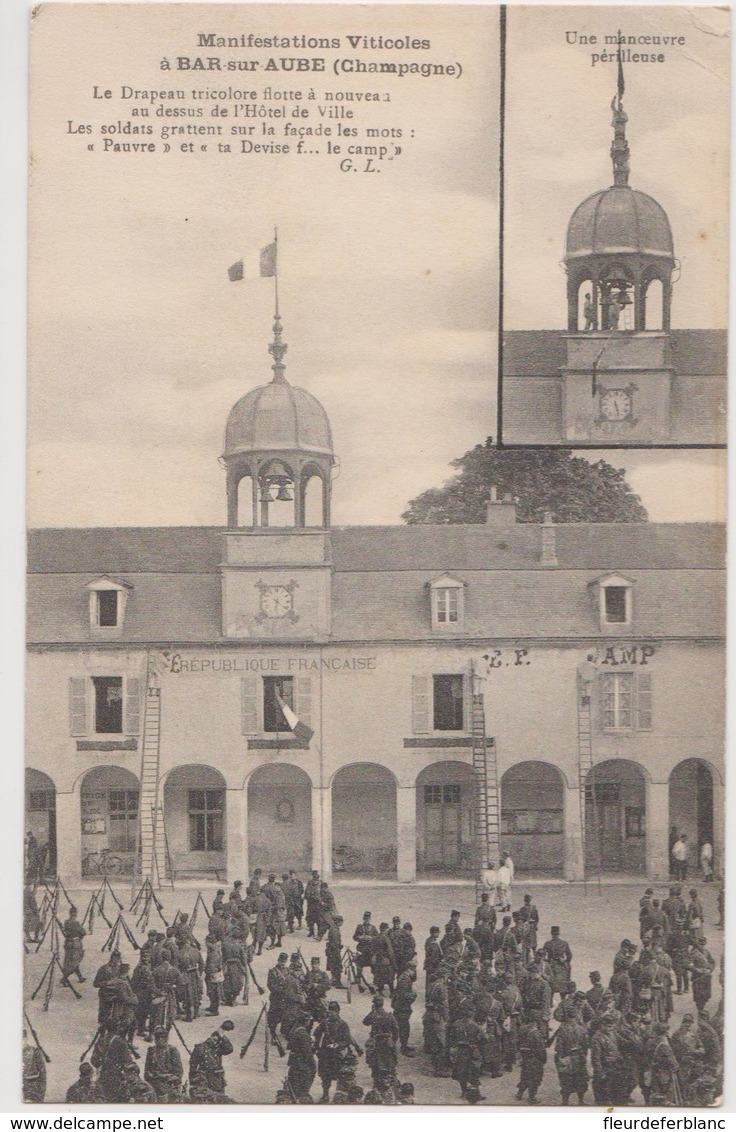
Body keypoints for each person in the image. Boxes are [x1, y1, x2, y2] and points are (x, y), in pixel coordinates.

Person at [314, 1001, 355, 1103]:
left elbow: (346, 1040)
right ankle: (325, 1095)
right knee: (325, 1076)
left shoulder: (343, 1024)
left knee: (340, 1076)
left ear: (338, 1011)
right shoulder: (325, 1023)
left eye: (334, 1011)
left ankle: (340, 1096)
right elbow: (317, 1034)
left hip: (337, 1054)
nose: (331, 1013)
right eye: (330, 1010)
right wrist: (316, 1047)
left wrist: (337, 1045)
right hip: (325, 1053)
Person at [189, 1019, 235, 1102]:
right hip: (204, 1079)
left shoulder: (218, 1048)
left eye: (216, 1039)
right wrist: (192, 1083)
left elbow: (229, 1049)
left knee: (219, 1100)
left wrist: (223, 1036)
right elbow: (192, 1067)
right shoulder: (200, 1048)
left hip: (217, 1079)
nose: (214, 1040)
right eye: (213, 1038)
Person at [554, 1004, 589, 1105]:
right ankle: (581, 1101)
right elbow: (585, 1045)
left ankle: (565, 1101)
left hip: (567, 1057)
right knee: (581, 1079)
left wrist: (559, 1059)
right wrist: (584, 1057)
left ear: (567, 1015)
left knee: (566, 1080)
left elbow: (559, 1046)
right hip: (579, 1057)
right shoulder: (581, 1029)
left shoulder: (562, 1029)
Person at [144, 1026, 184, 1101]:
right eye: (157, 1038)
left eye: (161, 1038)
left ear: (165, 1039)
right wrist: (150, 1076)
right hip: (154, 1082)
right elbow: (147, 1070)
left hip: (168, 1083)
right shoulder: (151, 1051)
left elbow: (178, 1072)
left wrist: (166, 1078)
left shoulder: (172, 1051)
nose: (158, 1041)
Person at [286, 1010, 317, 1101]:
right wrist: (313, 1065)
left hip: (293, 1060)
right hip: (302, 1063)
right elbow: (307, 1053)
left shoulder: (294, 1029)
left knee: (294, 1082)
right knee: (304, 1083)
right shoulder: (303, 1034)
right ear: (306, 1021)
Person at [516, 1017, 547, 1104]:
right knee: (535, 1078)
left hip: (525, 1057)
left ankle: (519, 1094)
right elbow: (541, 1049)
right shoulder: (536, 1034)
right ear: (535, 1023)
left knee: (525, 1076)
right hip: (535, 1059)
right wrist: (543, 1059)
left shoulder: (522, 1030)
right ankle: (531, 1097)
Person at [391, 960, 417, 1055]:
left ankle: (402, 1045)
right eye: (414, 970)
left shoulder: (404, 977)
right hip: (402, 1008)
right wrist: (413, 995)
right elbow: (403, 995)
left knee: (401, 1027)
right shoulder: (405, 980)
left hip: (400, 1007)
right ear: (410, 969)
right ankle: (402, 1048)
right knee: (403, 1028)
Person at [61, 906, 87, 986]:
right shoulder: (76, 924)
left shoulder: (66, 922)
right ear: (75, 914)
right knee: (74, 961)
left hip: (68, 944)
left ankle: (80, 977)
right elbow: (83, 932)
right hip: (76, 944)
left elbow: (65, 933)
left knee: (70, 961)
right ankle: (64, 979)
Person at [353, 911, 378, 989]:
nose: (367, 920)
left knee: (374, 965)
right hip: (362, 950)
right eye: (365, 918)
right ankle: (358, 980)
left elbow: (377, 938)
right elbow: (354, 937)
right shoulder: (359, 927)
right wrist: (360, 937)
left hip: (370, 950)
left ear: (370, 919)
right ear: (363, 919)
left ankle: (375, 982)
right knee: (359, 964)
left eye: (368, 918)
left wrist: (372, 938)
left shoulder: (373, 928)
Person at [22, 1029, 47, 1102]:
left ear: (26, 1039)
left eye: (22, 1039)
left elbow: (43, 1076)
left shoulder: (34, 1052)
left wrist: (40, 1097)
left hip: (31, 1094)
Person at [204, 933, 224, 1016]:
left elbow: (212, 965)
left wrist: (208, 973)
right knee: (213, 991)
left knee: (213, 992)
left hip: (212, 974)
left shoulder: (213, 953)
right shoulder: (216, 950)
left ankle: (214, 1010)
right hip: (213, 973)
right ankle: (212, 1006)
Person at [325, 914, 344, 988]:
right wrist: (339, 947)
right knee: (337, 966)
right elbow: (335, 943)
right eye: (341, 921)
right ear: (338, 922)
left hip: (332, 950)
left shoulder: (334, 928)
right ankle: (338, 983)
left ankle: (334, 980)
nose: (342, 923)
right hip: (334, 951)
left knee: (333, 966)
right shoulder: (334, 930)